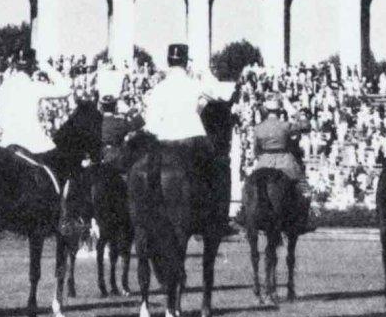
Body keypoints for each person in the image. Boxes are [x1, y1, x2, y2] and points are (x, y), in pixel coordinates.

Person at [140, 43, 235, 234]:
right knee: (219, 170)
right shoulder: (196, 85)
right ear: (186, 61)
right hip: (193, 140)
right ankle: (218, 219)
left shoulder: (158, 89)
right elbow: (225, 94)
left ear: (168, 61)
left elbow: (151, 124)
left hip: (163, 141)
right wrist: (207, 76)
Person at [248, 96, 315, 232]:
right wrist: (294, 111)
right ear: (279, 111)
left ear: (265, 110)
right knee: (305, 191)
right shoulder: (285, 126)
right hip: (285, 162)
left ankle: (245, 217)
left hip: (263, 162)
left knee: (250, 189)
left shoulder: (258, 128)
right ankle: (302, 221)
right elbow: (305, 125)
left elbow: (256, 150)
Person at [0, 47, 72, 157]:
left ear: (15, 65)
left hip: (8, 144)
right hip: (35, 145)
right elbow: (66, 89)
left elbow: (0, 118)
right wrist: (46, 66)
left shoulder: (3, 87)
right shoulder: (34, 87)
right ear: (33, 66)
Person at [96, 66, 143, 168]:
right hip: (116, 160)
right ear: (115, 107)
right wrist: (128, 110)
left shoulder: (95, 122)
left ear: (102, 107)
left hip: (99, 159)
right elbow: (140, 123)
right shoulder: (119, 122)